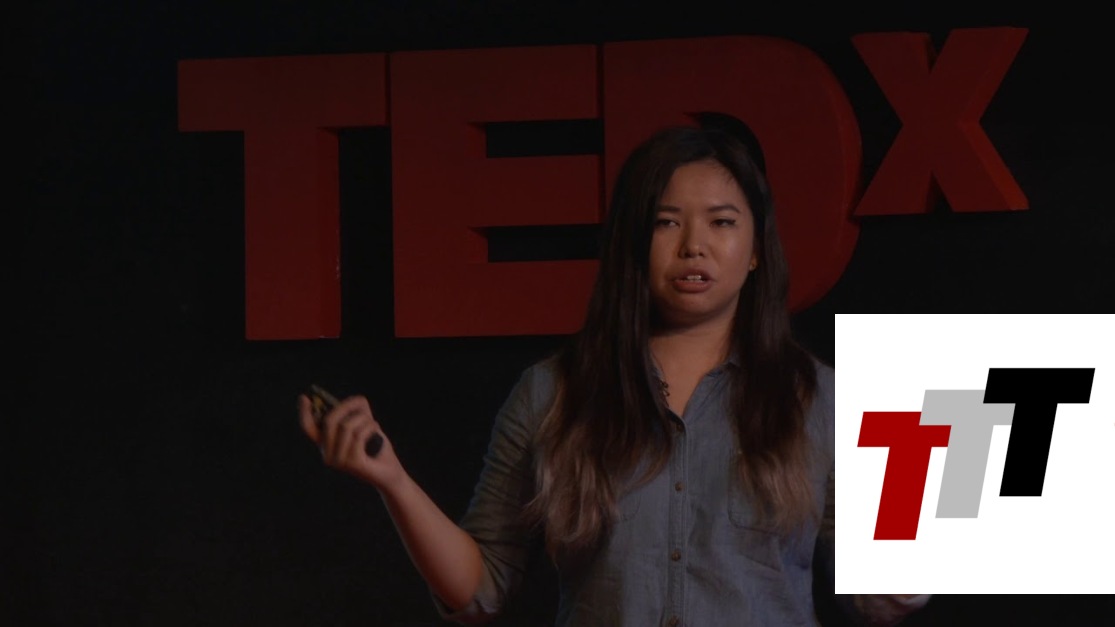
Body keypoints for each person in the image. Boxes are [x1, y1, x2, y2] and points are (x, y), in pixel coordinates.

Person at [298, 121, 931, 626]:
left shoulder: (820, 398)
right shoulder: (553, 393)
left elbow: (882, 599)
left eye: (722, 222)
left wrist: (932, 509)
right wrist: (393, 481)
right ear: (632, 242)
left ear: (756, 250)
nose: (693, 245)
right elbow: (481, 589)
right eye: (666, 222)